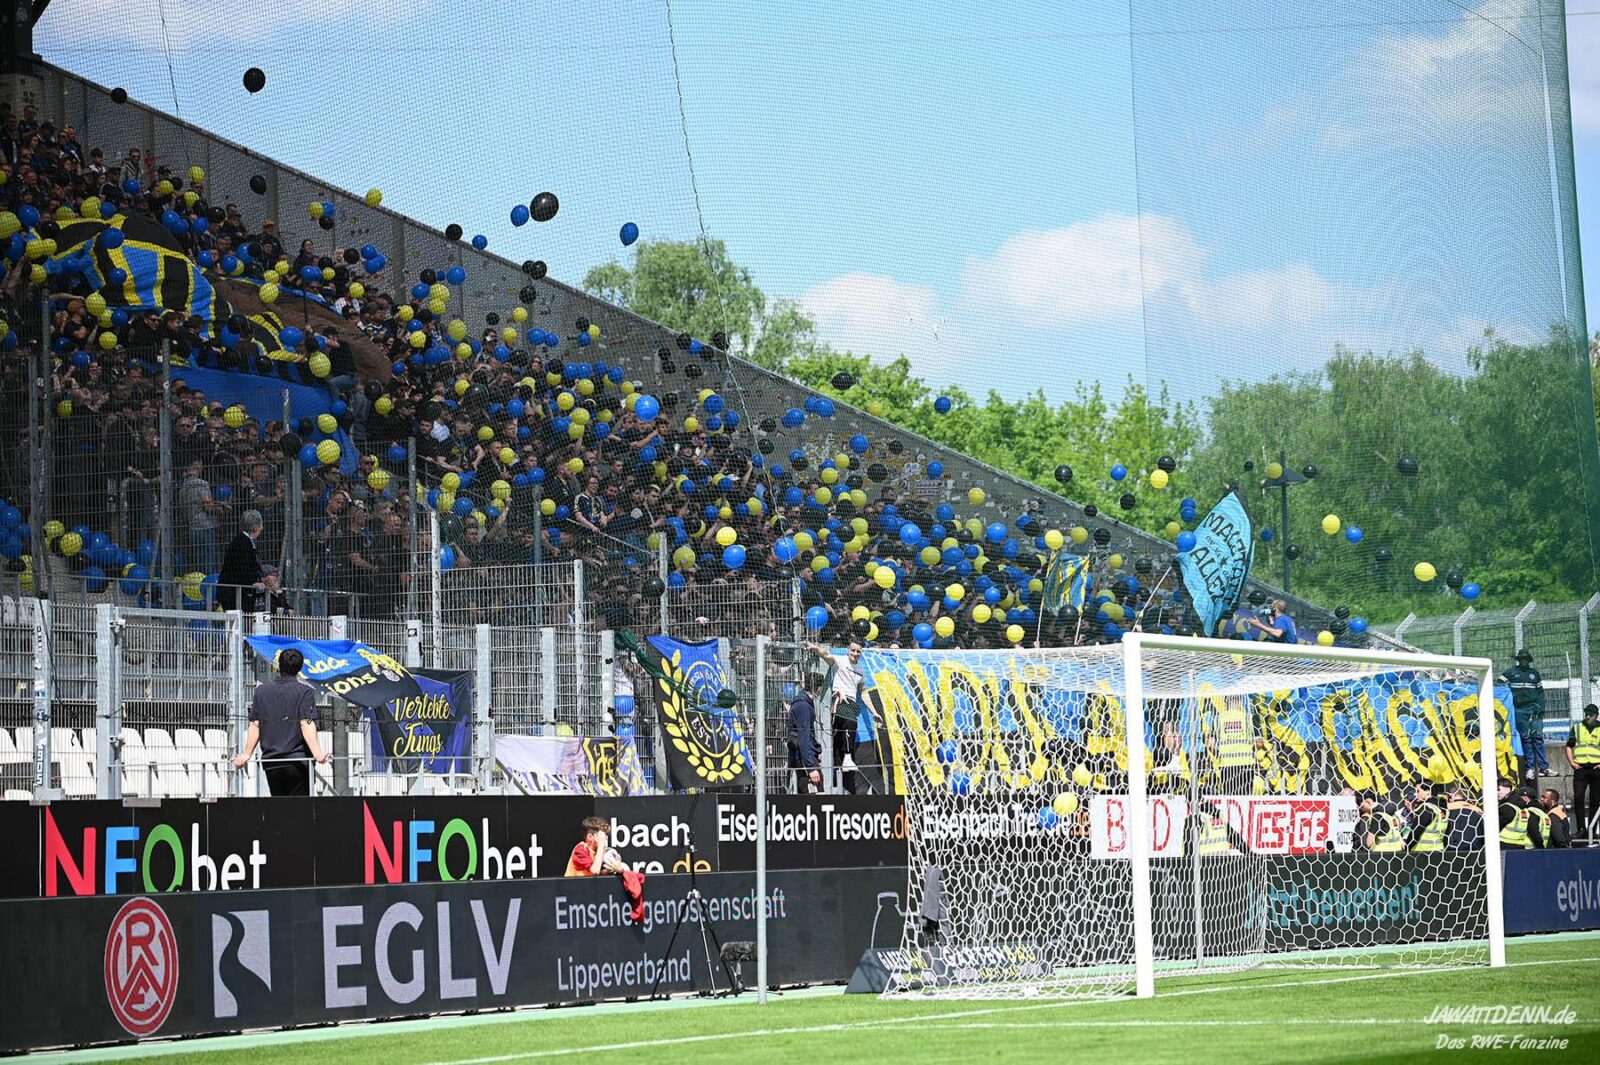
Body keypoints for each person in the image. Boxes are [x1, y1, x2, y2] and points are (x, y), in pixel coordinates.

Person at [231, 648, 327, 796]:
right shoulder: (304, 692)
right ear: (300, 668)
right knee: (301, 807)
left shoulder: (261, 691)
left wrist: (246, 754)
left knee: (279, 805)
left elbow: (255, 724)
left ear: (278, 665)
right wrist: (318, 754)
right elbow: (306, 723)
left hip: (272, 762)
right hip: (298, 761)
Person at [806, 635, 865, 792]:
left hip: (851, 703)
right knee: (850, 721)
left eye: (858, 651)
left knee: (842, 738)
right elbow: (825, 655)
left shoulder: (860, 669)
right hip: (839, 700)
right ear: (847, 650)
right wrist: (814, 648)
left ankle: (841, 779)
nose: (855, 654)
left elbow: (863, 691)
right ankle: (847, 756)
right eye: (853, 650)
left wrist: (873, 712)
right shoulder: (840, 661)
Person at [1500, 649, 1545, 783]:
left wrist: (1541, 708)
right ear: (1518, 660)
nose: (1523, 661)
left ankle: (1544, 767)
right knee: (1526, 738)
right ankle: (1530, 767)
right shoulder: (1511, 672)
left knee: (1537, 737)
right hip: (1519, 710)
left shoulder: (1534, 674)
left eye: (1525, 659)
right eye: (1521, 659)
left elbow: (1540, 692)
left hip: (1534, 709)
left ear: (1529, 660)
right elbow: (1499, 684)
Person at [176, 457, 222, 575]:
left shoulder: (182, 487)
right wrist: (221, 508)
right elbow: (208, 506)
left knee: (197, 564)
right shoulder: (201, 483)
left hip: (192, 527)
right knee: (209, 563)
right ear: (197, 466)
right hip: (206, 527)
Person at [217, 509, 265, 612]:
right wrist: (251, 584)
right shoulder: (242, 543)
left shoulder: (244, 541)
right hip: (234, 594)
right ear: (256, 527)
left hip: (235, 592)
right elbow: (242, 568)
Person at [1566, 703, 1600, 845]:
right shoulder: (1577, 728)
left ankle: (1592, 829)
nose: (1587, 717)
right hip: (1580, 767)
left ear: (1596, 716)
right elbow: (1569, 746)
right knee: (1578, 797)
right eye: (1586, 714)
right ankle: (1581, 828)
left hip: (1596, 768)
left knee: (1595, 800)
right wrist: (1572, 763)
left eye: (1590, 714)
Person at [786, 679, 822, 794]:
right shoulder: (803, 706)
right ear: (818, 688)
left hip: (802, 757)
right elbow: (803, 738)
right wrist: (811, 768)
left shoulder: (801, 703)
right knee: (818, 795)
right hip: (805, 758)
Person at [1407, 781, 1447, 853]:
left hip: (1422, 851)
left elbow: (1416, 831)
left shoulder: (1426, 808)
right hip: (1439, 849)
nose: (1415, 794)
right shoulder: (1441, 807)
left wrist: (1407, 847)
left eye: (1418, 791)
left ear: (1428, 792)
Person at [1497, 777, 1537, 850]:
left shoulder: (1506, 807)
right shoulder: (1522, 806)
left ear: (1508, 789)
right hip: (1520, 846)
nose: (1496, 793)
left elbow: (1495, 827)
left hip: (1504, 845)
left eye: (1498, 789)